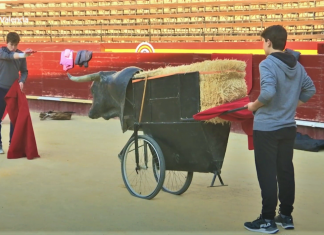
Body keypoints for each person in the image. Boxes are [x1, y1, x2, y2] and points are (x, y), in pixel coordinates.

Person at [244, 25, 316, 234]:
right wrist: (291, 104)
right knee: (285, 171)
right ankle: (286, 215)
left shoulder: (268, 64)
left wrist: (253, 106)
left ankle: (267, 219)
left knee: (267, 173)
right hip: (287, 127)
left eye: (262, 41)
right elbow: (310, 89)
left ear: (268, 42)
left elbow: (267, 93)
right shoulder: (296, 65)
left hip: (267, 128)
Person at [0, 32, 34, 154]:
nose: (13, 47)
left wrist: (22, 80)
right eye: (11, 44)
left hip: (13, 90)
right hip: (0, 88)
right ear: (6, 42)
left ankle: (13, 144)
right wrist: (23, 54)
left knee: (15, 119)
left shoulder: (20, 55)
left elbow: (24, 71)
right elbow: (10, 56)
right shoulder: (1, 52)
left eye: (15, 45)